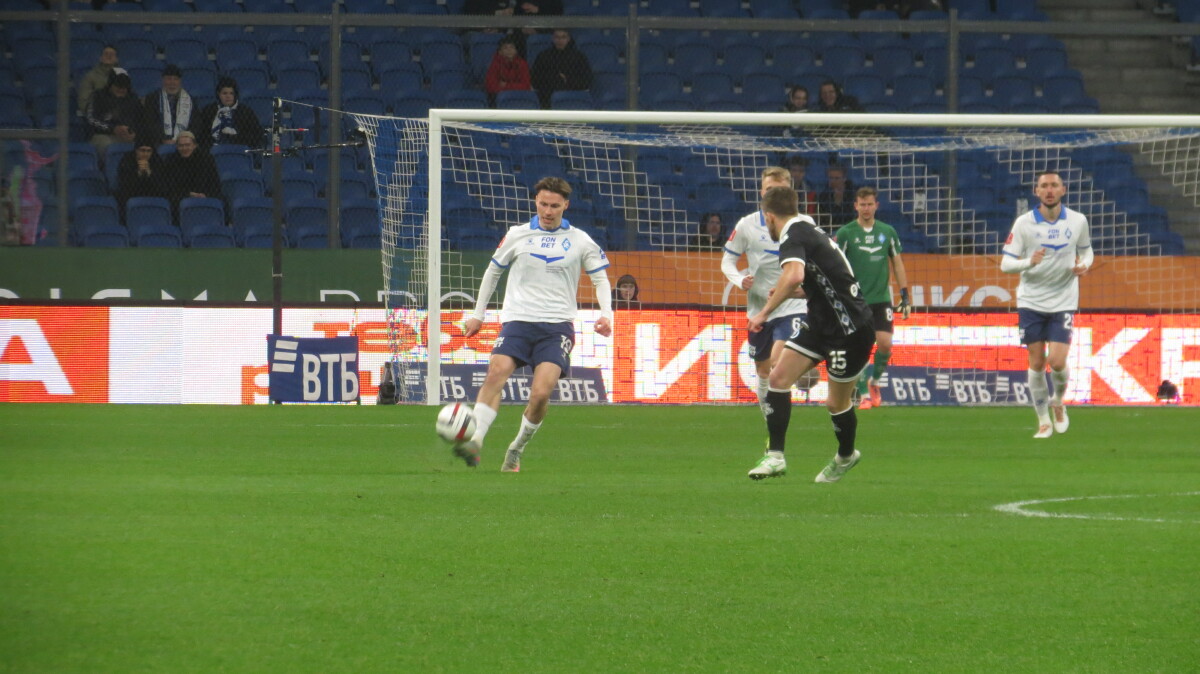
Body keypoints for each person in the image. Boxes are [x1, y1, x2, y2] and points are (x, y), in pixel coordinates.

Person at [458, 176, 613, 472]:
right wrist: (478, 314)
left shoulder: (580, 239)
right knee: (496, 371)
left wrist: (607, 314)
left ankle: (516, 449)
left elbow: (600, 278)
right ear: (536, 202)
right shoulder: (517, 234)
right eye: (543, 204)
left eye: (554, 206)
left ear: (566, 205)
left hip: (557, 327)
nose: (548, 211)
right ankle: (475, 441)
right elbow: (493, 272)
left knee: (541, 394)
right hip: (518, 320)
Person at [747, 186, 875, 483]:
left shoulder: (793, 235)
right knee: (778, 379)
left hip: (850, 329)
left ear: (769, 216)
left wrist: (764, 313)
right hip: (820, 323)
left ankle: (846, 456)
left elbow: (794, 275)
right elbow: (828, 278)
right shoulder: (808, 228)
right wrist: (798, 292)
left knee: (835, 404)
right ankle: (775, 457)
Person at [1000, 170, 1092, 439]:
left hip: (1063, 299)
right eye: (1044, 186)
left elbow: (1086, 250)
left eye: (1054, 185)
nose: (1049, 190)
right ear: (1036, 191)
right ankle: (1042, 420)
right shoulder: (1023, 223)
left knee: (1057, 361)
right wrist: (1029, 262)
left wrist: (1085, 265)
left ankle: (1058, 401)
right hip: (1031, 301)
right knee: (1037, 362)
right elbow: (1006, 264)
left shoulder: (1078, 220)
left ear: (1063, 190)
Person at [723, 168, 812, 418]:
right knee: (763, 371)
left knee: (777, 362)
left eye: (779, 189)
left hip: (793, 306)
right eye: (769, 189)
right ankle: (769, 415)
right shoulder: (747, 225)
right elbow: (727, 261)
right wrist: (739, 280)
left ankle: (795, 378)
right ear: (762, 192)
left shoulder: (805, 224)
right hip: (759, 308)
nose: (773, 194)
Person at [835, 186, 911, 410]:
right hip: (855, 300)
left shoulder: (888, 231)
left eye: (870, 204)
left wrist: (904, 294)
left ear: (876, 206)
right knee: (860, 348)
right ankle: (864, 394)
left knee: (885, 343)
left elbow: (897, 262)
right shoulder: (846, 233)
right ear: (855, 206)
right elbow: (836, 264)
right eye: (862, 204)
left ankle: (874, 382)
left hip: (881, 299)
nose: (866, 208)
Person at [85, 67, 146, 155]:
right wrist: (113, 129)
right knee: (105, 144)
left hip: (129, 137)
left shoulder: (133, 98)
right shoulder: (97, 96)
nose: (121, 89)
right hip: (104, 135)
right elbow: (91, 119)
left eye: (124, 87)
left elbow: (142, 120)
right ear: (110, 84)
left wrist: (135, 133)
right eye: (118, 86)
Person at [191, 77, 262, 151]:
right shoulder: (208, 110)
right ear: (218, 94)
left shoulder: (246, 112)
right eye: (224, 93)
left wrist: (234, 138)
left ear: (235, 95)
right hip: (212, 150)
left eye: (231, 93)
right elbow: (201, 133)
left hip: (239, 149)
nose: (228, 96)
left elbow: (256, 135)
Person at [530, 29, 593, 109]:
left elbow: (586, 80)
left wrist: (567, 79)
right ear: (553, 38)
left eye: (563, 37)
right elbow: (535, 79)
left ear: (568, 39)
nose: (560, 40)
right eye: (557, 37)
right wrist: (553, 79)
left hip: (572, 95)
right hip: (548, 96)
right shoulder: (543, 56)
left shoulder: (579, 57)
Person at [161, 130, 221, 213]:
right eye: (181, 145)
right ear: (177, 147)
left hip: (205, 196)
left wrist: (205, 195)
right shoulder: (170, 161)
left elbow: (215, 183)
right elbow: (169, 187)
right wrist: (189, 194)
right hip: (180, 198)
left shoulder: (206, 160)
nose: (184, 148)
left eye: (187, 145)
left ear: (194, 145)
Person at [142, 64, 195, 147]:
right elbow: (150, 122)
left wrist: (184, 138)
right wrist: (163, 139)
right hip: (158, 141)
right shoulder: (152, 98)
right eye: (169, 79)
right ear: (163, 80)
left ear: (180, 81)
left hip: (185, 142)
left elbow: (195, 123)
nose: (172, 83)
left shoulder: (190, 100)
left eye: (175, 79)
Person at [115, 135, 167, 212]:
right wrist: (138, 173)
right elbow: (124, 185)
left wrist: (149, 173)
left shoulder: (157, 160)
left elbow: (162, 186)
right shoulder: (126, 160)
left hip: (153, 194)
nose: (145, 154)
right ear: (136, 150)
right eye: (142, 150)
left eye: (148, 151)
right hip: (131, 194)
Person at [484, 36, 532, 106]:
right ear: (500, 52)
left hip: (520, 95)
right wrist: (516, 86)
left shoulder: (522, 64)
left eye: (512, 47)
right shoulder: (494, 64)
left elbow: (526, 86)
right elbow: (491, 87)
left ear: (516, 51)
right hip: (498, 97)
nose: (509, 50)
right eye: (505, 48)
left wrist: (506, 85)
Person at [77, 44, 119, 116]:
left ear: (116, 59)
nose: (108, 56)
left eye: (111, 54)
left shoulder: (122, 76)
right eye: (106, 54)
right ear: (101, 58)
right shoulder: (91, 76)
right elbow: (83, 100)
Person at [817, 164, 856, 228]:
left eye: (837, 178)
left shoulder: (853, 194)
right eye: (831, 178)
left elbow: (852, 216)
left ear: (844, 178)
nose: (833, 181)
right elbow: (823, 219)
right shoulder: (823, 195)